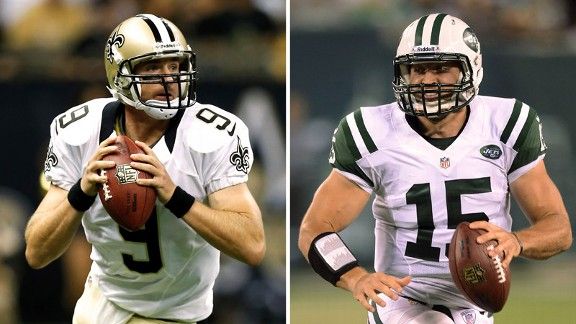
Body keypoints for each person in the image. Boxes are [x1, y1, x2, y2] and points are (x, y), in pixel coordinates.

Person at [298, 13, 572, 324]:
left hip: (475, 297)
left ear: (472, 69)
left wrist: (518, 241)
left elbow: (559, 229)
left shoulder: (507, 124)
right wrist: (355, 277)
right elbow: (315, 228)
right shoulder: (372, 132)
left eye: (441, 68)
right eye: (417, 69)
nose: (428, 80)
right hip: (401, 297)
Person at [24, 14, 266, 323]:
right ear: (120, 75)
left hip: (174, 313)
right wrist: (81, 192)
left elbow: (252, 245)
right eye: (153, 67)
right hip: (101, 302)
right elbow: (37, 252)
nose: (169, 80)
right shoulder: (80, 131)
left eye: (175, 66)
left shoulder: (211, 135)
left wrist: (175, 196)